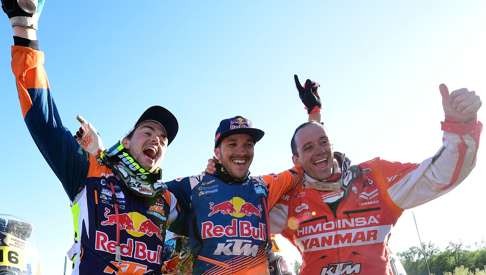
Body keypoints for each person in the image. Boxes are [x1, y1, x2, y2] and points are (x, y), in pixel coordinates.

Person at [2, 1, 181, 274]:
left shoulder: (169, 199)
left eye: (164, 138)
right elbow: (44, 120)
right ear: (126, 141)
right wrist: (23, 26)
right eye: (148, 131)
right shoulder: (89, 171)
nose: (156, 139)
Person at [269, 76, 482, 274]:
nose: (319, 151)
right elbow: (242, 212)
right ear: (295, 161)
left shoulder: (375, 178)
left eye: (324, 143)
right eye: (307, 148)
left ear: (332, 144)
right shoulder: (289, 199)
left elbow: (439, 175)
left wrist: (461, 127)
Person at [166, 115, 302, 275]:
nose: (242, 151)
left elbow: (308, 164)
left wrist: (314, 112)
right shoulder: (194, 185)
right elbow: (145, 191)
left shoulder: (264, 186)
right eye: (232, 144)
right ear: (217, 152)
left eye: (248, 144)